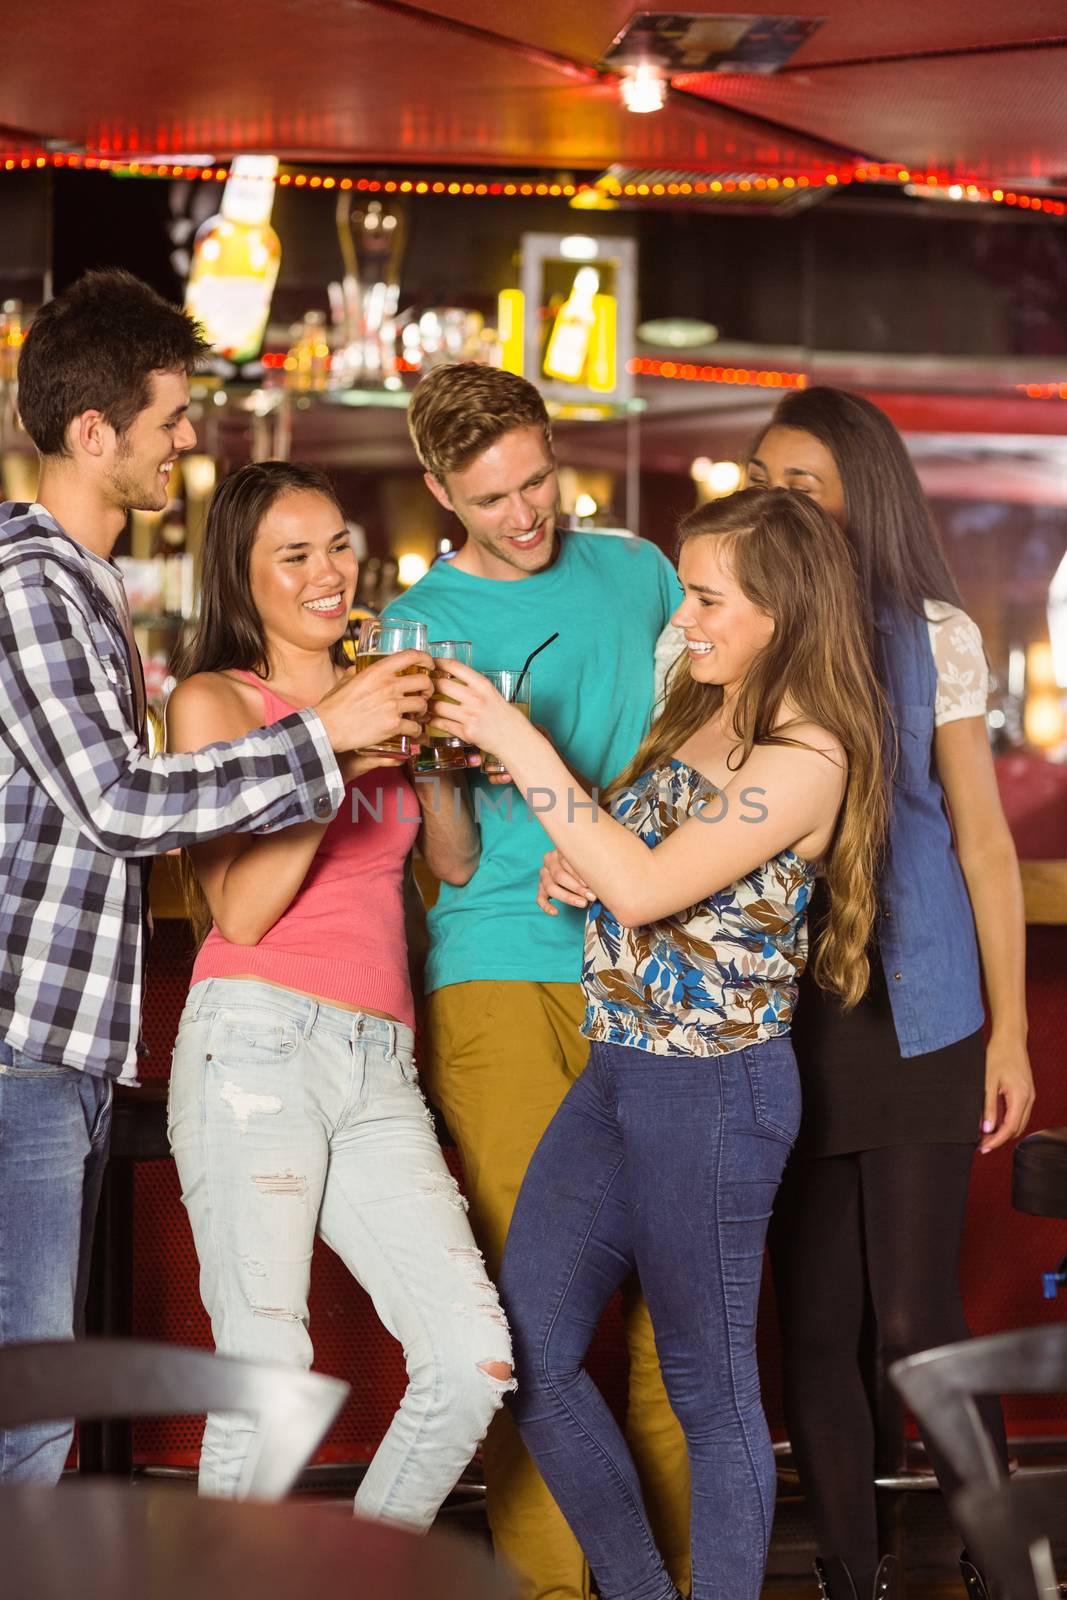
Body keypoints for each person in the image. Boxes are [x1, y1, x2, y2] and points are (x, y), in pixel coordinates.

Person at [0, 269, 425, 1485]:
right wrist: (323, 735)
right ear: (94, 434)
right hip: (19, 1047)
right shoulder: (32, 583)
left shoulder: (80, 587)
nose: (188, 439)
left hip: (58, 1047)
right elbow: (119, 803)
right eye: (168, 419)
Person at [431, 485, 887, 1600]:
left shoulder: (809, 754)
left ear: (779, 609)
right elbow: (629, 871)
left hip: (717, 1093)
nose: (681, 617)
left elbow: (644, 891)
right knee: (525, 1350)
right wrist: (570, 865)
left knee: (704, 1379)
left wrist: (511, 735)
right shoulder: (699, 708)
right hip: (617, 1073)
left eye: (705, 596)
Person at [386, 362, 692, 1599]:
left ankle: (677, 1581)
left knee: (678, 1321)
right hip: (501, 968)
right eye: (491, 496)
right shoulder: (416, 622)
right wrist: (430, 772)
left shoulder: (639, 572)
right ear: (437, 489)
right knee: (542, 1320)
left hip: (658, 955)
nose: (525, 515)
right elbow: (451, 862)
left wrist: (621, 839)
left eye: (537, 479)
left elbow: (707, 744)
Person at [165, 460, 513, 1520]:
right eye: (295, 553)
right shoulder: (215, 701)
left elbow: (447, 860)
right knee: (266, 1380)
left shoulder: (373, 686)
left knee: (470, 1359)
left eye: (337, 546)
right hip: (255, 1044)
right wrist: (341, 743)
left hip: (378, 1057)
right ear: (243, 572)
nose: (328, 572)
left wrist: (435, 754)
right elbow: (241, 908)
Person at [747, 387, 1035, 1600]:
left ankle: (1005, 1557)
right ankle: (845, 1574)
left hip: (918, 1007)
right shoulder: (731, 627)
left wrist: (1011, 1028)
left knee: (916, 1316)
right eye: (763, 478)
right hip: (780, 1012)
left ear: (860, 491)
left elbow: (979, 842)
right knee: (811, 1327)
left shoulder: (933, 633)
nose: (777, 501)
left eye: (801, 481)